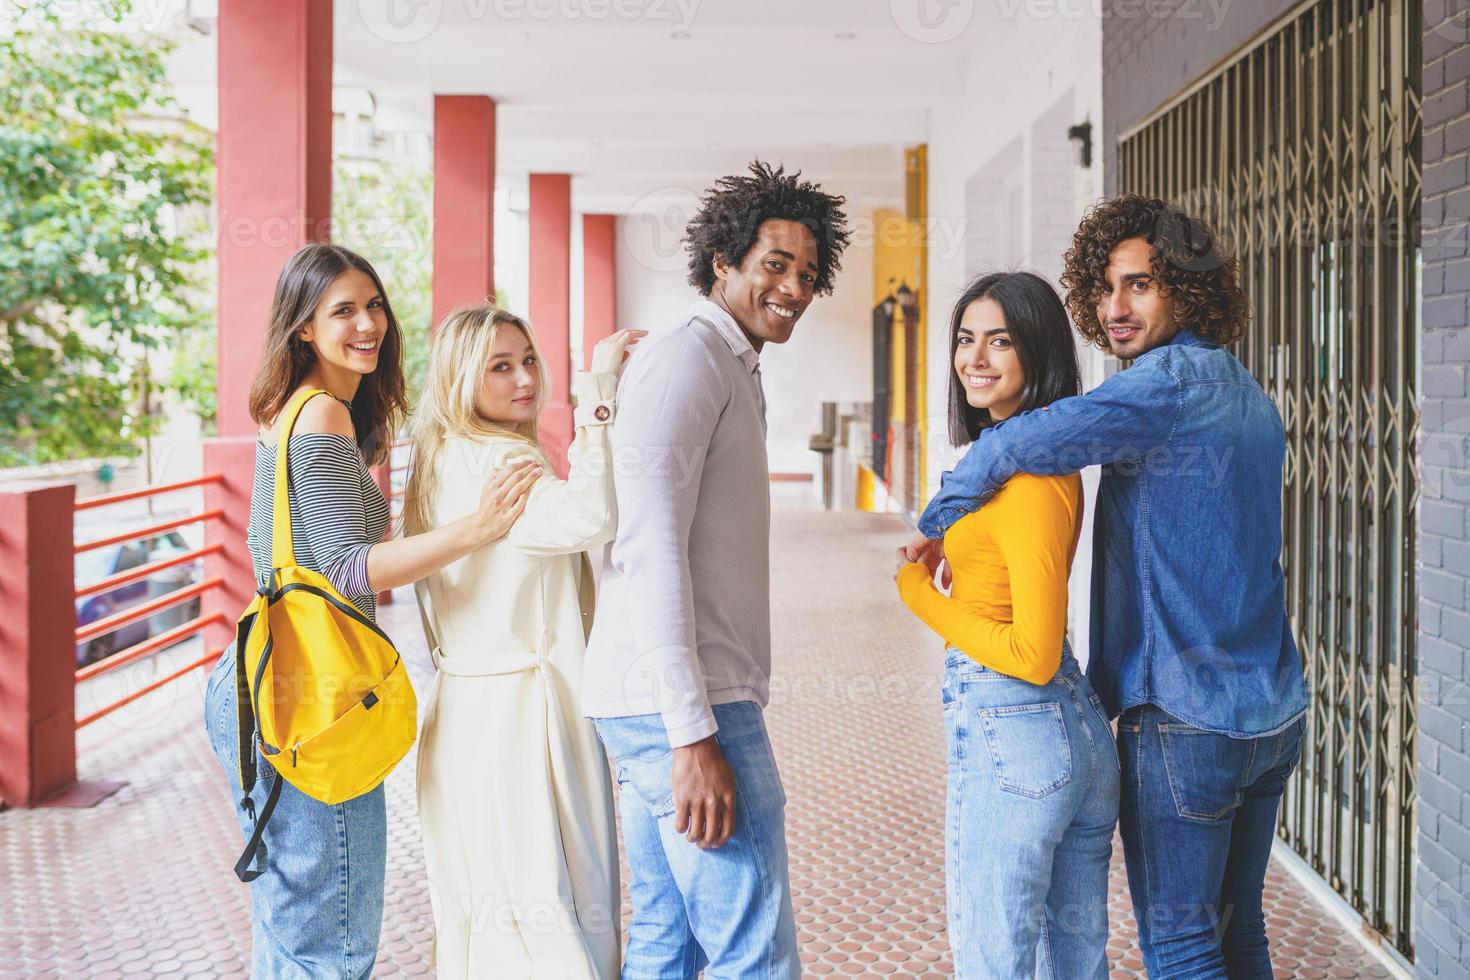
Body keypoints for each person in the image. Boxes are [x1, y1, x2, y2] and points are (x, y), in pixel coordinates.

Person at [906, 195, 1309, 977]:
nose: (1115, 308)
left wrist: (936, 518)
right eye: (1105, 288)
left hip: (1188, 719)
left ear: (1188, 292)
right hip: (1271, 715)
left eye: (1141, 286)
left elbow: (1029, 434)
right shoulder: (1249, 395)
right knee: (1240, 932)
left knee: (1185, 947)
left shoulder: (1161, 389)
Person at [203, 244, 540, 979]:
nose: (369, 325)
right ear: (301, 328)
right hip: (307, 695)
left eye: (375, 305)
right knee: (332, 939)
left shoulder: (291, 409)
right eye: (343, 311)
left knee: (296, 929)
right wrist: (475, 530)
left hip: (267, 681)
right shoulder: (320, 412)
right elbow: (344, 569)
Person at [582, 160, 850, 977]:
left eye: (808, 273)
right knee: (754, 954)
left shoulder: (726, 362)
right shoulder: (689, 360)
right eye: (775, 265)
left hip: (659, 697)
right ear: (722, 263)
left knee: (670, 944)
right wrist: (692, 733)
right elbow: (646, 546)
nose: (794, 288)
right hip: (687, 704)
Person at [404, 304, 645, 979]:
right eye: (500, 367)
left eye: (529, 360)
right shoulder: (503, 457)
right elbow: (591, 516)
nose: (524, 378)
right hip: (526, 713)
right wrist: (599, 389)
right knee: (557, 895)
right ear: (460, 378)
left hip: (459, 711)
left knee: (484, 906)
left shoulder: (434, 458)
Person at [894, 271, 1119, 979]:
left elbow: (1031, 652)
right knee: (1071, 962)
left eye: (1001, 340)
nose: (976, 358)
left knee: (996, 959)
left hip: (1018, 729)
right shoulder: (1019, 460)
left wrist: (915, 591)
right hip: (1067, 732)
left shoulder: (1030, 478)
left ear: (1039, 353)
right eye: (966, 339)